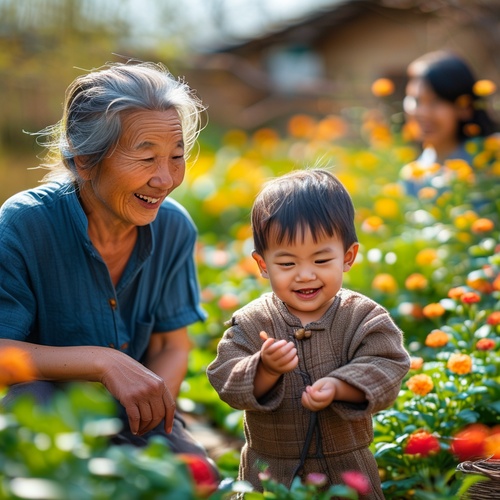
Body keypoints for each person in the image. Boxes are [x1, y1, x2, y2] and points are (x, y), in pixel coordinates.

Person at [0, 61, 214, 461]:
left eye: (176, 156)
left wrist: (151, 410)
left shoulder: (174, 229)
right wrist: (102, 362)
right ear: (85, 160)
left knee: (191, 474)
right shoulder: (26, 223)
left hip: (131, 412)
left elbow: (173, 345)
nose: (165, 179)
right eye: (146, 159)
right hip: (45, 408)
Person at [207, 169, 410, 498]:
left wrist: (340, 386)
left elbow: (387, 365)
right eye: (286, 264)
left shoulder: (363, 317)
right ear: (262, 264)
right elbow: (225, 378)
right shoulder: (252, 321)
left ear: (347, 257)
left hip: (347, 468)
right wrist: (265, 369)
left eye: (320, 259)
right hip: (271, 471)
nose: (305, 275)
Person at [401, 50, 497, 195]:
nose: (422, 112)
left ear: (465, 106)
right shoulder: (413, 177)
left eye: (435, 101)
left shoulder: (493, 157)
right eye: (415, 100)